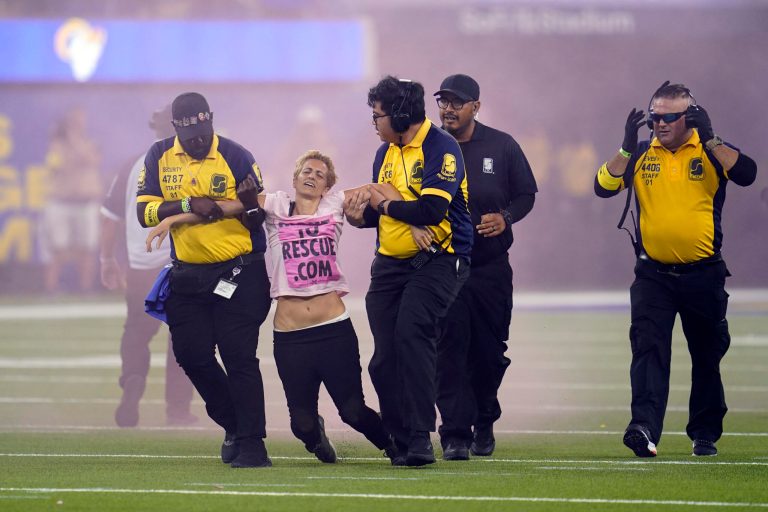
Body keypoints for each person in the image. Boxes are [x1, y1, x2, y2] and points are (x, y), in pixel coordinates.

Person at [148, 150, 397, 464]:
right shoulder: (276, 205)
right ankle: (316, 437)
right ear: (295, 178)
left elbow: (383, 188)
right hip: (291, 336)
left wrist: (407, 219)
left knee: (353, 412)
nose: (312, 176)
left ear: (327, 187)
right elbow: (220, 209)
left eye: (320, 175)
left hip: (333, 330)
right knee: (302, 425)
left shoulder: (335, 205)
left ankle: (394, 445)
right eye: (307, 171)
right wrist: (173, 218)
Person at [594, 82, 757, 457]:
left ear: (691, 116)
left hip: (704, 273)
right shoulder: (639, 153)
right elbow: (602, 186)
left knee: (706, 355)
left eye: (670, 117)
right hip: (653, 276)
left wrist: (712, 139)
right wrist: (623, 147)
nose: (661, 124)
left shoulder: (711, 150)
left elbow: (747, 173)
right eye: (655, 118)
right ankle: (644, 429)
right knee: (648, 351)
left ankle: (704, 431)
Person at [136, 92, 272, 468]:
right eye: (190, 133)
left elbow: (260, 217)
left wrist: (250, 208)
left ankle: (252, 444)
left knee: (238, 355)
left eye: (203, 129)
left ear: (211, 118)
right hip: (189, 276)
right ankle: (233, 423)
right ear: (176, 128)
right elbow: (144, 211)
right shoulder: (158, 156)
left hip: (240, 270)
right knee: (191, 355)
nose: (198, 139)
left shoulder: (236, 154)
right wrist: (185, 205)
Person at [343, 76, 472, 467]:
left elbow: (431, 211)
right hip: (389, 265)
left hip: (438, 258)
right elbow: (380, 217)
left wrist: (385, 205)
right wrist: (359, 216)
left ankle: (420, 438)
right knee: (383, 359)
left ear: (400, 115)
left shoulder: (441, 148)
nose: (375, 124)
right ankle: (399, 439)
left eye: (377, 116)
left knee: (412, 335)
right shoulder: (386, 152)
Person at [432, 74, 538, 460]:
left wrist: (506, 217)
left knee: (489, 352)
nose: (447, 108)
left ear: (476, 106)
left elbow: (527, 193)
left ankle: (485, 418)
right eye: (443, 101)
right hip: (443, 267)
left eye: (456, 102)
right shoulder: (428, 146)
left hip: (490, 267)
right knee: (448, 349)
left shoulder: (502, 144)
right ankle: (455, 433)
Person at [100, 105, 197, 428]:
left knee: (136, 332)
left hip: (140, 266)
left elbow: (110, 217)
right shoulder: (193, 163)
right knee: (183, 336)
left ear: (154, 128)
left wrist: (107, 259)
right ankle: (178, 409)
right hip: (181, 262)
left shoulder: (132, 165)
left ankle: (132, 379)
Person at [43, 107, 102, 293]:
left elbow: (89, 159)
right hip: (61, 202)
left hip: (85, 203)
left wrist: (75, 140)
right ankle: (51, 289)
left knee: (86, 248)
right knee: (58, 248)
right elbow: (55, 166)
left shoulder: (89, 143)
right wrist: (66, 139)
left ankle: (85, 289)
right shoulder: (57, 146)